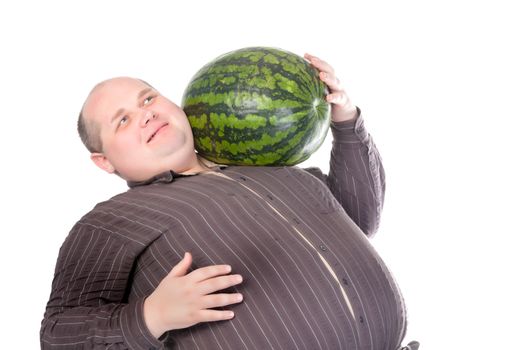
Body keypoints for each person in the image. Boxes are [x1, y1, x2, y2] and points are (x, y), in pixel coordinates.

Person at [41, 53, 416, 349]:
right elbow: (57, 334)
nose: (146, 114)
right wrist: (152, 316)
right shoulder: (111, 220)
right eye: (122, 120)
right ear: (103, 161)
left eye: (148, 99)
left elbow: (361, 220)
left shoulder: (276, 167)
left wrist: (345, 120)